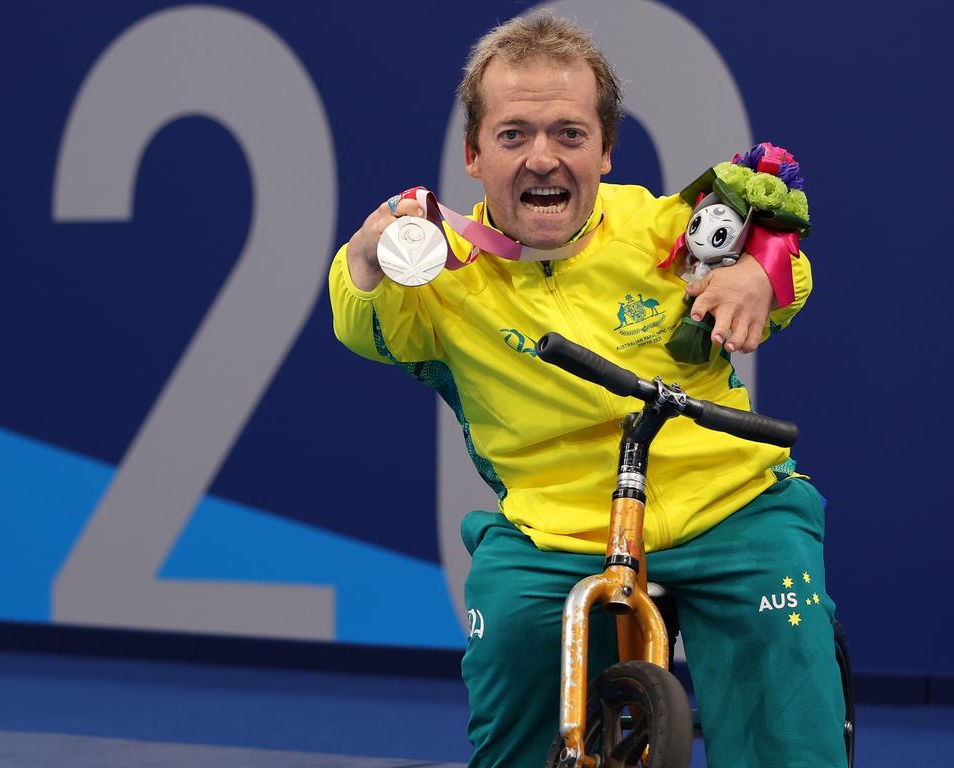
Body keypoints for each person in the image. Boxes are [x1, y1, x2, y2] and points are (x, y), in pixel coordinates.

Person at [328, 13, 845, 768]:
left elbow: (785, 270)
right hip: (557, 530)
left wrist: (756, 276)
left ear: (605, 150)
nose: (543, 157)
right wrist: (368, 255)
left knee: (785, 680)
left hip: (733, 504)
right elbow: (363, 321)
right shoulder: (443, 272)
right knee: (511, 640)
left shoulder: (662, 230)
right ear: (473, 155)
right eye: (513, 135)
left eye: (569, 134)